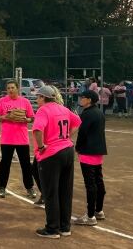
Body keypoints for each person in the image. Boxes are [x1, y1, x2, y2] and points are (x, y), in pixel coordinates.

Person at [31, 85, 81, 238]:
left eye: (38, 97)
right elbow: (77, 121)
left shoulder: (43, 110)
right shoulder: (62, 108)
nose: (37, 99)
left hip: (51, 154)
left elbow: (37, 129)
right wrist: (66, 137)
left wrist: (41, 146)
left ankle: (52, 228)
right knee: (65, 191)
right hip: (67, 150)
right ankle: (65, 227)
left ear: (43, 98)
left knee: (51, 192)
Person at [0, 79, 36, 199]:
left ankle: (29, 188)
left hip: (22, 139)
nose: (10, 90)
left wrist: (26, 120)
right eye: (8, 88)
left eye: (12, 87)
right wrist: (5, 117)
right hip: (7, 139)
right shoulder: (2, 101)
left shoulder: (25, 102)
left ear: (17, 88)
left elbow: (32, 117)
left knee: (26, 164)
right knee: (5, 164)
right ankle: (2, 187)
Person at [74, 90, 107, 225]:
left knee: (91, 184)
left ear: (89, 100)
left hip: (88, 151)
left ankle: (90, 215)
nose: (81, 99)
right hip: (98, 151)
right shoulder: (99, 112)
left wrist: (77, 147)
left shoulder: (87, 114)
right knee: (98, 181)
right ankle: (98, 210)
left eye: (83, 98)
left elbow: (82, 134)